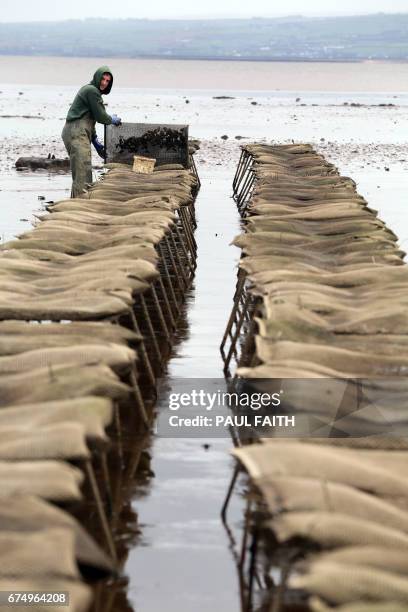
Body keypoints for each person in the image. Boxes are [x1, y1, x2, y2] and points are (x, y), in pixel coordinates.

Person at [62, 65, 122, 198]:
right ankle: (80, 209)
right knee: (83, 174)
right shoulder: (91, 91)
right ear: (97, 77)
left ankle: (75, 204)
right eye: (103, 79)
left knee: (81, 172)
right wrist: (111, 119)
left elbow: (91, 120)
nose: (104, 83)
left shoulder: (91, 91)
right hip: (76, 132)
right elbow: (101, 116)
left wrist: (95, 142)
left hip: (76, 132)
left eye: (108, 81)